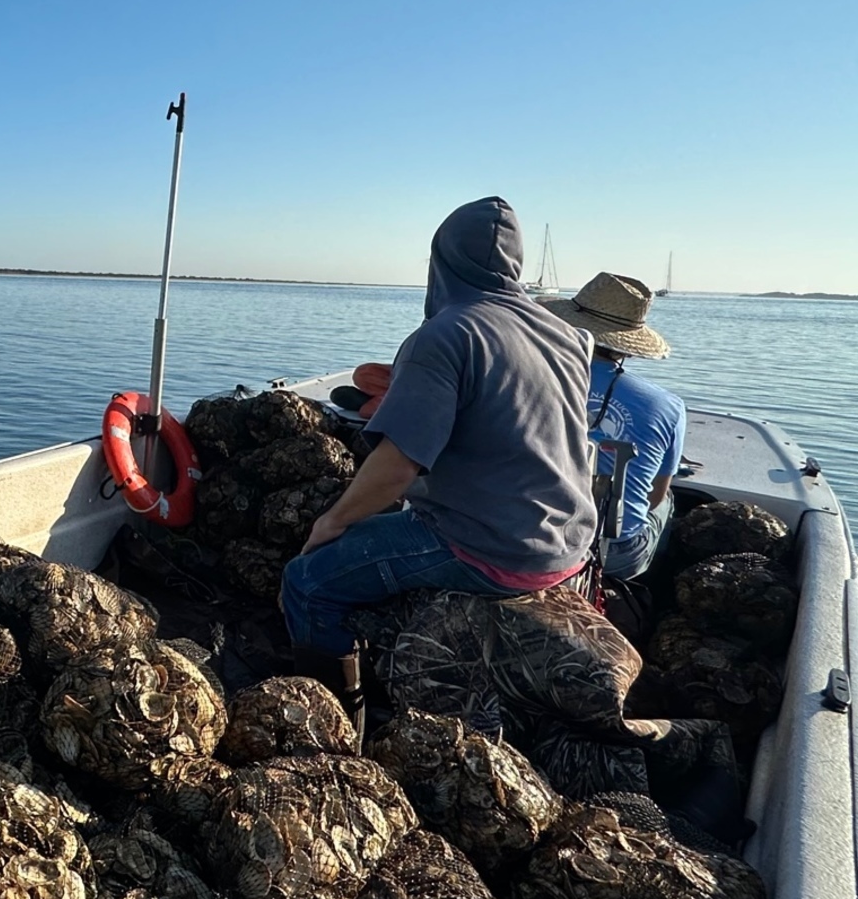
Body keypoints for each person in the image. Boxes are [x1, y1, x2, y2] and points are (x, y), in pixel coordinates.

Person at [281, 196, 597, 663]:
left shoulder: (445, 334)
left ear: (441, 260)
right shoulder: (568, 336)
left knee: (306, 581)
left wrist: (331, 523)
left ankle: (335, 697)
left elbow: (397, 468)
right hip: (570, 544)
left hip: (490, 548)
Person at [539, 272, 685, 581]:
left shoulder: (530, 380)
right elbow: (655, 497)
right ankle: (654, 586)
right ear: (626, 349)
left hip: (537, 539)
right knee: (669, 501)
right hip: (615, 555)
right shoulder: (667, 405)